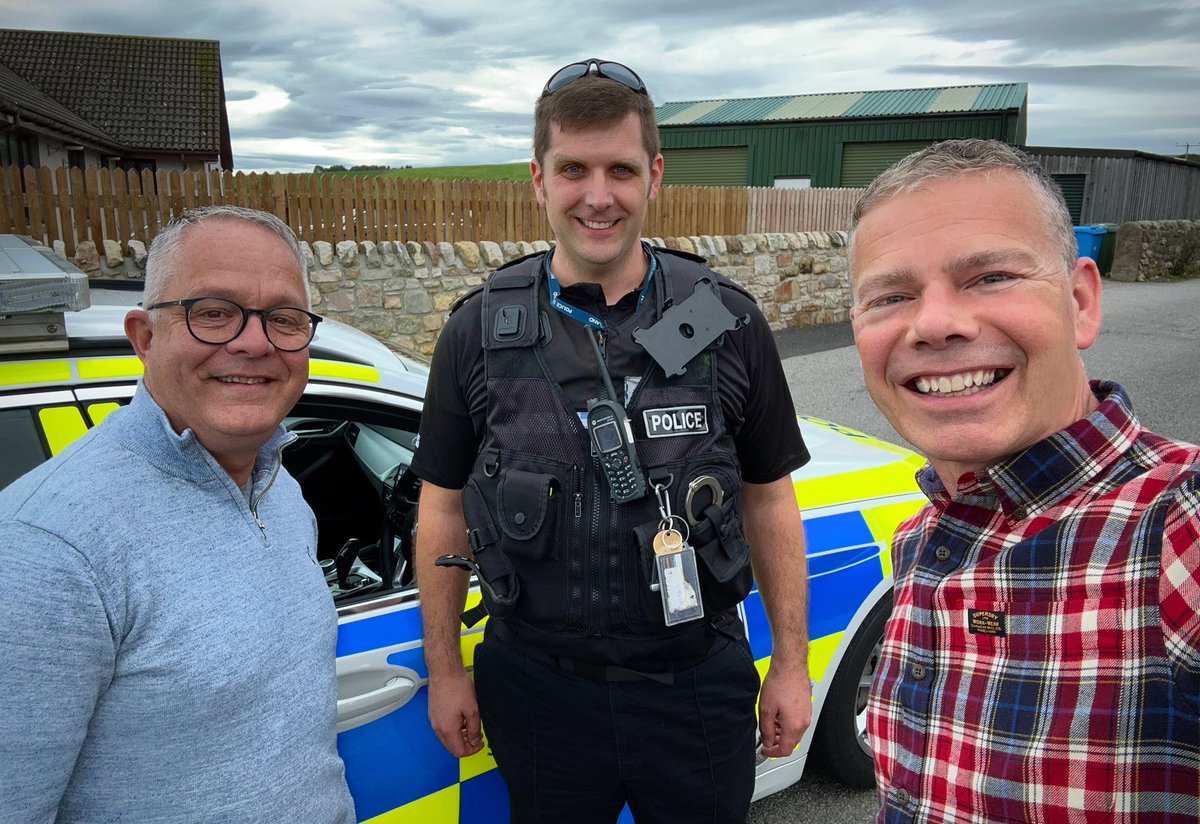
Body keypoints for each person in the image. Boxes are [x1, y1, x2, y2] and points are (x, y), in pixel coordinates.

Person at [411, 58, 812, 823]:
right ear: (538, 179)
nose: (599, 196)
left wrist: (791, 665)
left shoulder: (727, 320)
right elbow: (442, 508)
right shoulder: (476, 331)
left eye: (621, 170)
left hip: (695, 685)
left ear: (655, 175)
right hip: (537, 690)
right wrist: (444, 670)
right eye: (574, 170)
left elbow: (768, 495)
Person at [849, 139, 1200, 823]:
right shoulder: (922, 540)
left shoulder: (1178, 528)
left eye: (991, 277)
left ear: (1081, 303)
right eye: (891, 295)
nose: (936, 323)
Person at [0, 206, 355, 822]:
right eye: (213, 312)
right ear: (144, 337)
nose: (254, 342)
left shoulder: (280, 486)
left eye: (284, 318)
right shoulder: (43, 552)